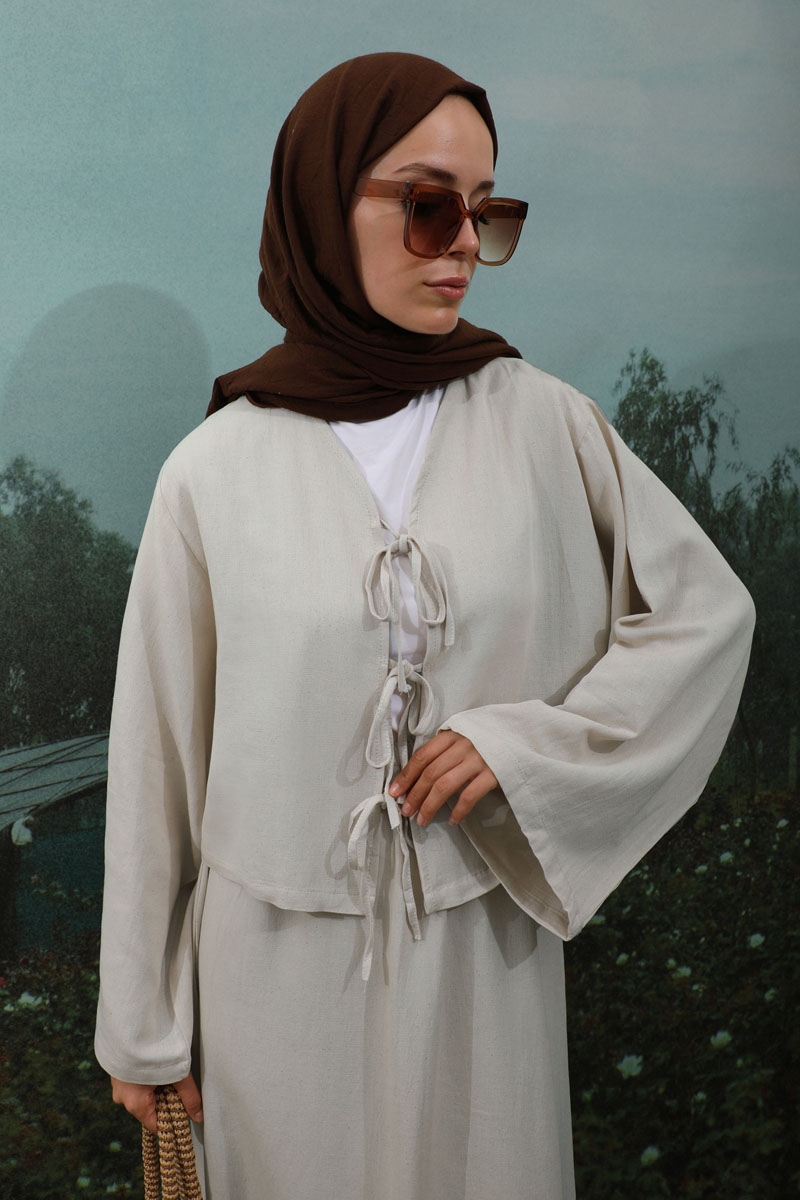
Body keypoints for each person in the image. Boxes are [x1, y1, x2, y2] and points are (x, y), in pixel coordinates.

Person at [94, 51, 755, 1200]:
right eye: (427, 206)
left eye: (485, 213)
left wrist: (522, 747)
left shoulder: (545, 426)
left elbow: (703, 616)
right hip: (272, 974)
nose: (461, 246)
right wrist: (143, 1029)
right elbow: (157, 755)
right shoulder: (214, 470)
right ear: (322, 202)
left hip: (480, 951)